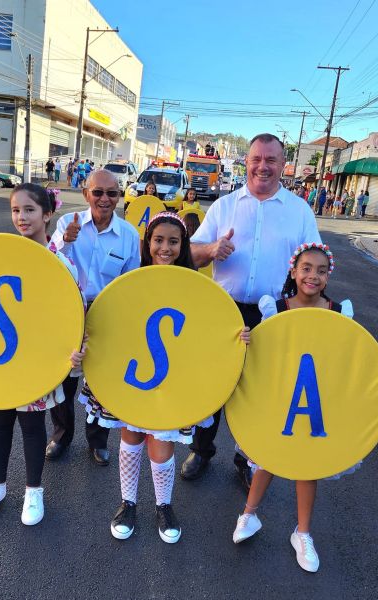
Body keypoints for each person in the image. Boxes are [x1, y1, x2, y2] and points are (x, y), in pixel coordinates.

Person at [79, 212, 250, 543]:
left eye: (174, 241)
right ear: (148, 244)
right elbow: (111, 321)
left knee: (162, 447)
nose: (165, 248)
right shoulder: (131, 279)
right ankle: (127, 502)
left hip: (175, 382)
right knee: (130, 437)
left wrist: (235, 337)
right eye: (158, 240)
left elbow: (207, 328)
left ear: (183, 245)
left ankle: (164, 505)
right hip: (131, 378)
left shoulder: (196, 285)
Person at [232, 244, 378, 572]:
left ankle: (303, 532)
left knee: (308, 466)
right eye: (306, 268)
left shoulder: (338, 313)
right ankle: (248, 515)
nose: (313, 276)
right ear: (293, 271)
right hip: (280, 397)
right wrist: (245, 342)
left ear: (328, 277)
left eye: (321, 271)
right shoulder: (275, 309)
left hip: (319, 402)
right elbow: (262, 356)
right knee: (266, 457)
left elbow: (352, 359)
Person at [183, 132, 322, 488]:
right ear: (247, 161)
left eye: (271, 160)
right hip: (222, 310)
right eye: (257, 159)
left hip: (275, 313)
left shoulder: (299, 211)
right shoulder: (224, 206)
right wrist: (212, 249)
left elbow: (316, 267)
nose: (263, 166)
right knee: (212, 384)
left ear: (282, 165)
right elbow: (191, 254)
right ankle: (201, 449)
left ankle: (247, 457)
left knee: (260, 391)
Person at [0, 183, 87, 526]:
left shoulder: (58, 262)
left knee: (32, 423)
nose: (21, 217)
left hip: (36, 358)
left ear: (47, 214)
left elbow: (73, 310)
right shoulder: (2, 255)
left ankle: (34, 490)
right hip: (2, 358)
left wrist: (72, 352)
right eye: (15, 210)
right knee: (0, 419)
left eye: (30, 210)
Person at [48, 169, 141, 466]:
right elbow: (47, 263)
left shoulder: (128, 235)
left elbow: (132, 282)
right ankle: (61, 435)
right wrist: (64, 240)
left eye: (112, 193)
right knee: (63, 377)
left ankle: (97, 441)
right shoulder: (67, 223)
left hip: (107, 313)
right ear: (87, 193)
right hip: (68, 311)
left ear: (119, 197)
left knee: (100, 381)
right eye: (98, 192)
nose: (104, 199)